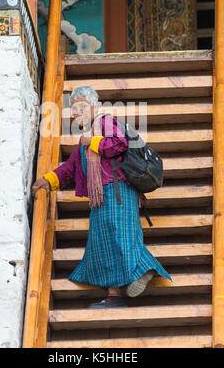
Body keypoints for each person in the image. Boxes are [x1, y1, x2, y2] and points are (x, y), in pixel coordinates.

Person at [32, 86, 172, 308]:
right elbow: (69, 169)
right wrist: (47, 181)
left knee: (121, 238)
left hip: (119, 193)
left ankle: (145, 270)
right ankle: (114, 295)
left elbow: (119, 143)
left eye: (81, 106)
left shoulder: (105, 121)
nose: (77, 112)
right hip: (101, 198)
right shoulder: (84, 142)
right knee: (103, 244)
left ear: (94, 106)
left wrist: (93, 142)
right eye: (74, 108)